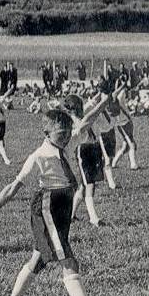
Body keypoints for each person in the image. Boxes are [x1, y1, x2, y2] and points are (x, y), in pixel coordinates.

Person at [0, 109, 123, 296]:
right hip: (47, 207)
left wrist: (101, 103)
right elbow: (12, 188)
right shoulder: (38, 157)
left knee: (40, 257)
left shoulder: (64, 144)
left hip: (63, 205)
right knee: (68, 260)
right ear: (46, 132)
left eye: (68, 132)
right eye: (61, 133)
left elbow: (86, 121)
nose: (66, 137)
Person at [62, 92, 113, 227]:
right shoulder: (74, 122)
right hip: (84, 151)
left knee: (84, 186)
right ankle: (94, 218)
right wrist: (105, 101)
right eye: (77, 107)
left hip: (94, 148)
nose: (80, 109)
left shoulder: (80, 114)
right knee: (90, 185)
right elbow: (94, 113)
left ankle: (71, 215)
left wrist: (102, 93)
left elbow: (92, 105)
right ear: (70, 110)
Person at [110, 86, 139, 170]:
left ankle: (114, 163)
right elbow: (122, 89)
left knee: (125, 146)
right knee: (132, 144)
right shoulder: (118, 97)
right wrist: (123, 84)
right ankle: (133, 164)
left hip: (126, 122)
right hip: (123, 124)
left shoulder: (117, 97)